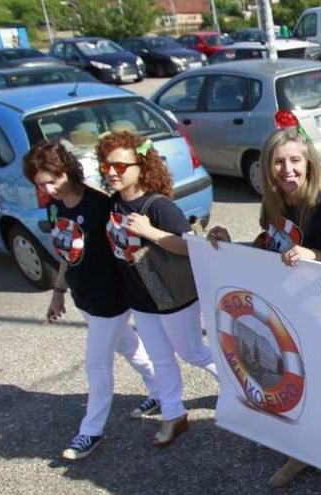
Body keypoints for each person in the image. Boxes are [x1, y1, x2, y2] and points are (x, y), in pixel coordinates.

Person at [206, 128, 321, 487]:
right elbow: (268, 244)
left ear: (309, 163)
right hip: (284, 310)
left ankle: (307, 454)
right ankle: (302, 447)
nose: (288, 170)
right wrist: (229, 244)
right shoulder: (274, 204)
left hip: (318, 315)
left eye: (295, 160)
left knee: (315, 385)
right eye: (279, 162)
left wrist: (315, 256)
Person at [22, 141, 159, 461]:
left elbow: (128, 251)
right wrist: (58, 292)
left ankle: (91, 431)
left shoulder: (100, 204)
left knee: (97, 365)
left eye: (53, 180)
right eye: (41, 183)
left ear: (68, 170)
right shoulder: (55, 207)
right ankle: (160, 394)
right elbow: (66, 251)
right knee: (130, 347)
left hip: (109, 299)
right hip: (84, 296)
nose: (48, 189)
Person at [98, 131, 218, 447]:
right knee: (160, 358)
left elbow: (191, 246)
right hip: (141, 297)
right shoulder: (112, 202)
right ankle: (174, 415)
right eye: (106, 165)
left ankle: (239, 389)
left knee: (192, 352)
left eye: (120, 167)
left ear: (141, 166)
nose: (111, 172)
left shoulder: (158, 206)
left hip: (173, 297)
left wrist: (149, 231)